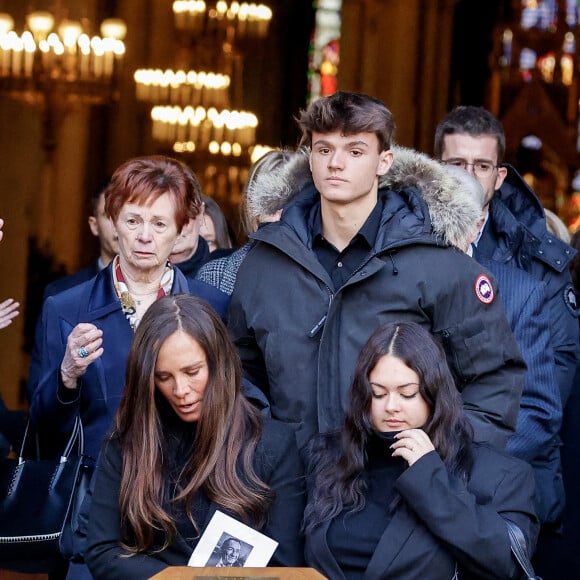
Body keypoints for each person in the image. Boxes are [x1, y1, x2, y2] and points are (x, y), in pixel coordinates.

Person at [228, 91, 526, 450]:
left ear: (384, 161)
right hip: (290, 486)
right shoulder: (266, 261)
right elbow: (237, 373)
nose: (336, 163)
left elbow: (494, 378)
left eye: (355, 151)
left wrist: (438, 462)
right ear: (310, 159)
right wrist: (264, 449)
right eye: (324, 150)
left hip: (395, 488)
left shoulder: (435, 262)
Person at [28, 156, 230, 578]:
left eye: (159, 224)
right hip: (95, 512)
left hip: (186, 511)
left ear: (181, 230)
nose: (144, 236)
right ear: (112, 221)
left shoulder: (215, 306)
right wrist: (67, 375)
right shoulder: (66, 307)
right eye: (133, 220)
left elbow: (230, 407)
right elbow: (43, 427)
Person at [84, 295, 305, 578]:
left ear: (219, 362)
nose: (180, 390)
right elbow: (102, 549)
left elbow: (284, 565)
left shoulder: (273, 444)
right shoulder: (129, 441)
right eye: (164, 377)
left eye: (192, 372)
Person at [303, 321, 539, 579]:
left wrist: (430, 477)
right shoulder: (327, 456)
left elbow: (506, 565)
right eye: (378, 393)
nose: (391, 406)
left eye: (407, 394)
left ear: (434, 394)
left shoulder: (499, 474)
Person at [441, 163, 564, 526]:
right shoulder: (396, 284)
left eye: (460, 216)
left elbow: (538, 410)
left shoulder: (518, 292)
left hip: (485, 488)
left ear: (480, 223)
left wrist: (457, 461)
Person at [433, 105, 579, 410]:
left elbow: (555, 375)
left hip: (505, 449)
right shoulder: (400, 241)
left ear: (500, 177)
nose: (468, 176)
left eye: (482, 166)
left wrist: (477, 454)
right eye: (457, 163)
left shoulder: (539, 261)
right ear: (435, 169)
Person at [196, 148, 311, 296]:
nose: (280, 215)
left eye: (290, 203)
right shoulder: (215, 276)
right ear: (250, 204)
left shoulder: (321, 278)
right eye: (270, 203)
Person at [42, 182, 119, 299]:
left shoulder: (155, 294)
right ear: (94, 226)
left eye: (128, 216)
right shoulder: (62, 294)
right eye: (109, 215)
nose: (118, 225)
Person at [169, 172, 212, 279]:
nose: (176, 228)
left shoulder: (225, 274)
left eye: (184, 216)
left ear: (201, 213)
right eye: (160, 221)